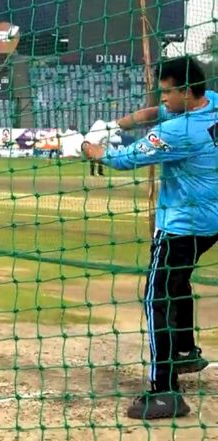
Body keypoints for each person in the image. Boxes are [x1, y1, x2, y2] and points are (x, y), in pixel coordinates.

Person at [83, 57, 218, 420]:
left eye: (168, 91)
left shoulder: (180, 131)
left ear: (187, 92)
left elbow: (126, 159)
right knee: (179, 280)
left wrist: (90, 148)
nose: (163, 98)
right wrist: (113, 123)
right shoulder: (214, 103)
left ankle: (165, 390)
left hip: (180, 224)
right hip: (210, 221)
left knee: (156, 297)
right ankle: (186, 350)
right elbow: (152, 113)